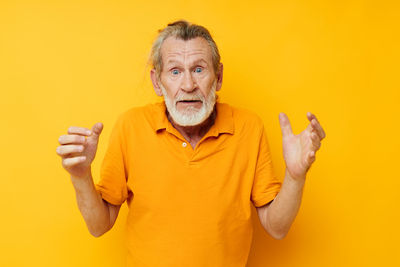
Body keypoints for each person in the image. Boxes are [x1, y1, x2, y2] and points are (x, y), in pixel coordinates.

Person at [56, 20, 326, 267]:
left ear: (218, 77)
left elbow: (276, 227)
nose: (188, 84)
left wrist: (295, 175)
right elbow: (98, 225)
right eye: (175, 71)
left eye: (199, 69)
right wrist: (80, 176)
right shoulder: (131, 126)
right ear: (157, 82)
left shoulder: (248, 127)